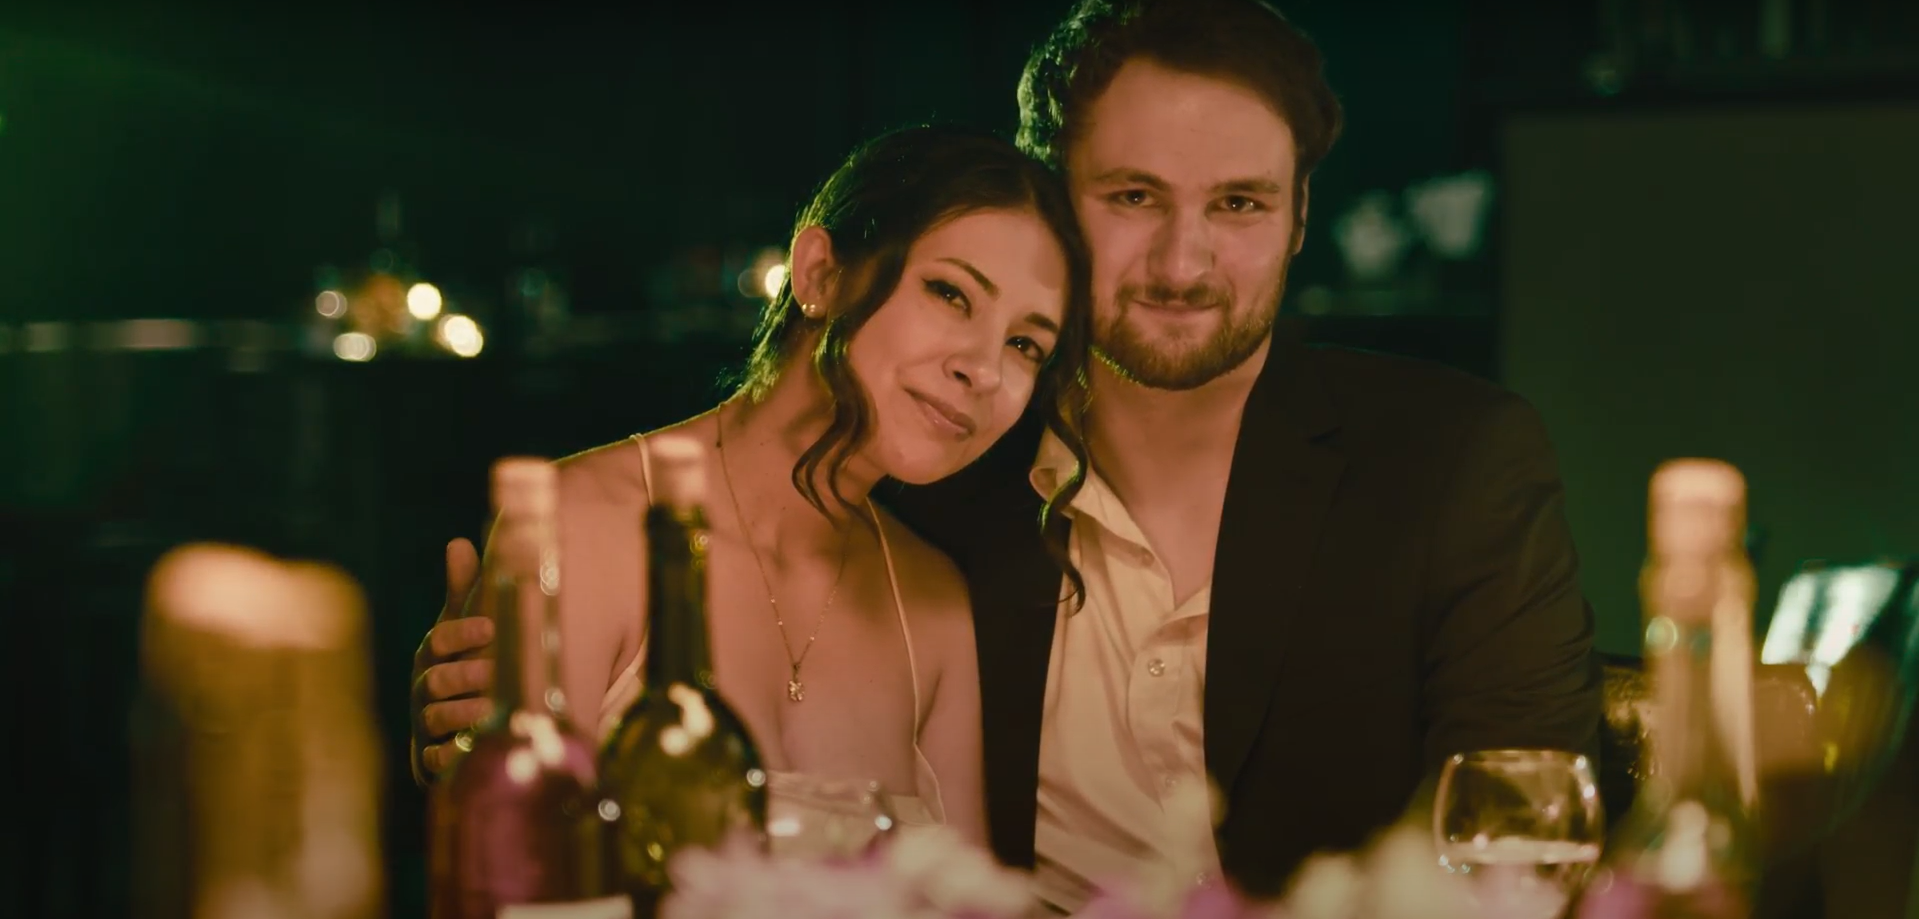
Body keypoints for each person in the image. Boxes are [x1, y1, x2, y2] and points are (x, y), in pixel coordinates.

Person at [420, 0, 1603, 910]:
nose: (1185, 263)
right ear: (1054, 199)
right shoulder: (939, 472)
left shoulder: (1452, 463)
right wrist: (482, 703)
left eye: (1240, 204)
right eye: (1133, 195)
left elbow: (1513, 851)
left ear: (1299, 215)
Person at [410, 123, 1094, 852]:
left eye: (1025, 343)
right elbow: (514, 881)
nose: (984, 368)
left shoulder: (930, 604)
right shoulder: (579, 525)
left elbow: (965, 904)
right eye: (950, 293)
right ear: (819, 274)